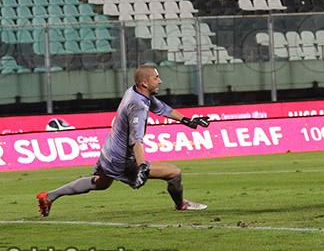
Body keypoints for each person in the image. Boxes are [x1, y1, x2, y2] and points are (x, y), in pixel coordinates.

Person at [36, 65, 209, 217]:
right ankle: (181, 205)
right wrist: (142, 166)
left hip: (109, 151)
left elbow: (160, 108)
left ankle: (49, 196)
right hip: (121, 159)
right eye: (156, 78)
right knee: (174, 173)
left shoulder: (134, 91)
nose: (160, 81)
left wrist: (187, 121)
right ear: (145, 83)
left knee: (100, 183)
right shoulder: (138, 106)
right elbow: (136, 141)